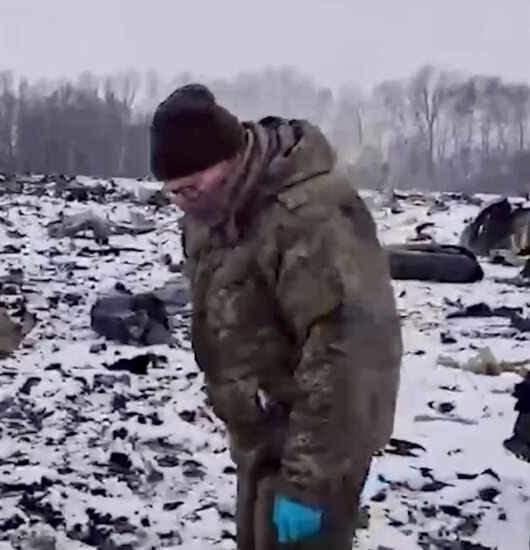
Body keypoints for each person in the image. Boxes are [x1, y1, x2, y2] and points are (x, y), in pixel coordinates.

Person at [150, 84, 403, 549]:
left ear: (230, 159)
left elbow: (351, 353)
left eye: (191, 188)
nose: (183, 203)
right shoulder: (216, 211)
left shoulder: (312, 218)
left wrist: (310, 482)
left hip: (320, 438)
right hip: (262, 434)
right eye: (173, 193)